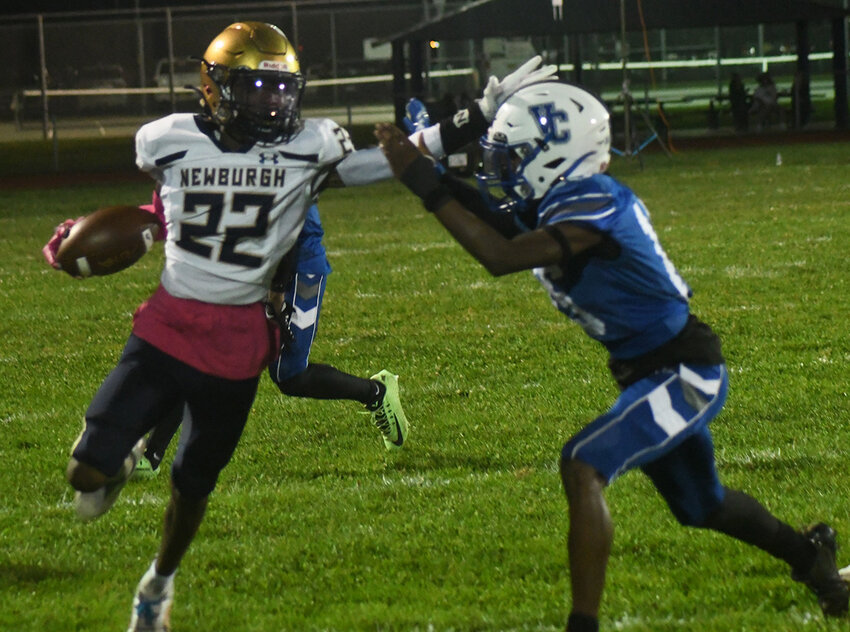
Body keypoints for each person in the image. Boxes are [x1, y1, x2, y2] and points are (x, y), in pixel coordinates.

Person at [47, 21, 556, 631]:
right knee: (84, 474)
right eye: (258, 85)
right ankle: (126, 461)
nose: (273, 100)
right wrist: (97, 238)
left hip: (236, 347)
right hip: (166, 327)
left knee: (193, 486)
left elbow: (394, 157)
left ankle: (159, 583)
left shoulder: (310, 148)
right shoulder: (165, 140)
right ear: (216, 87)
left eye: (283, 87)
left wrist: (478, 115)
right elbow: (167, 207)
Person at [374, 81, 849, 631]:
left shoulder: (594, 199)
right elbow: (501, 222)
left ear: (555, 155)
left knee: (583, 464)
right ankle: (812, 557)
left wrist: (423, 182)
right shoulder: (563, 198)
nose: (503, 167)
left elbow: (500, 253)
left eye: (516, 156)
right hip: (648, 371)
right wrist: (429, 176)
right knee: (703, 506)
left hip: (684, 370)